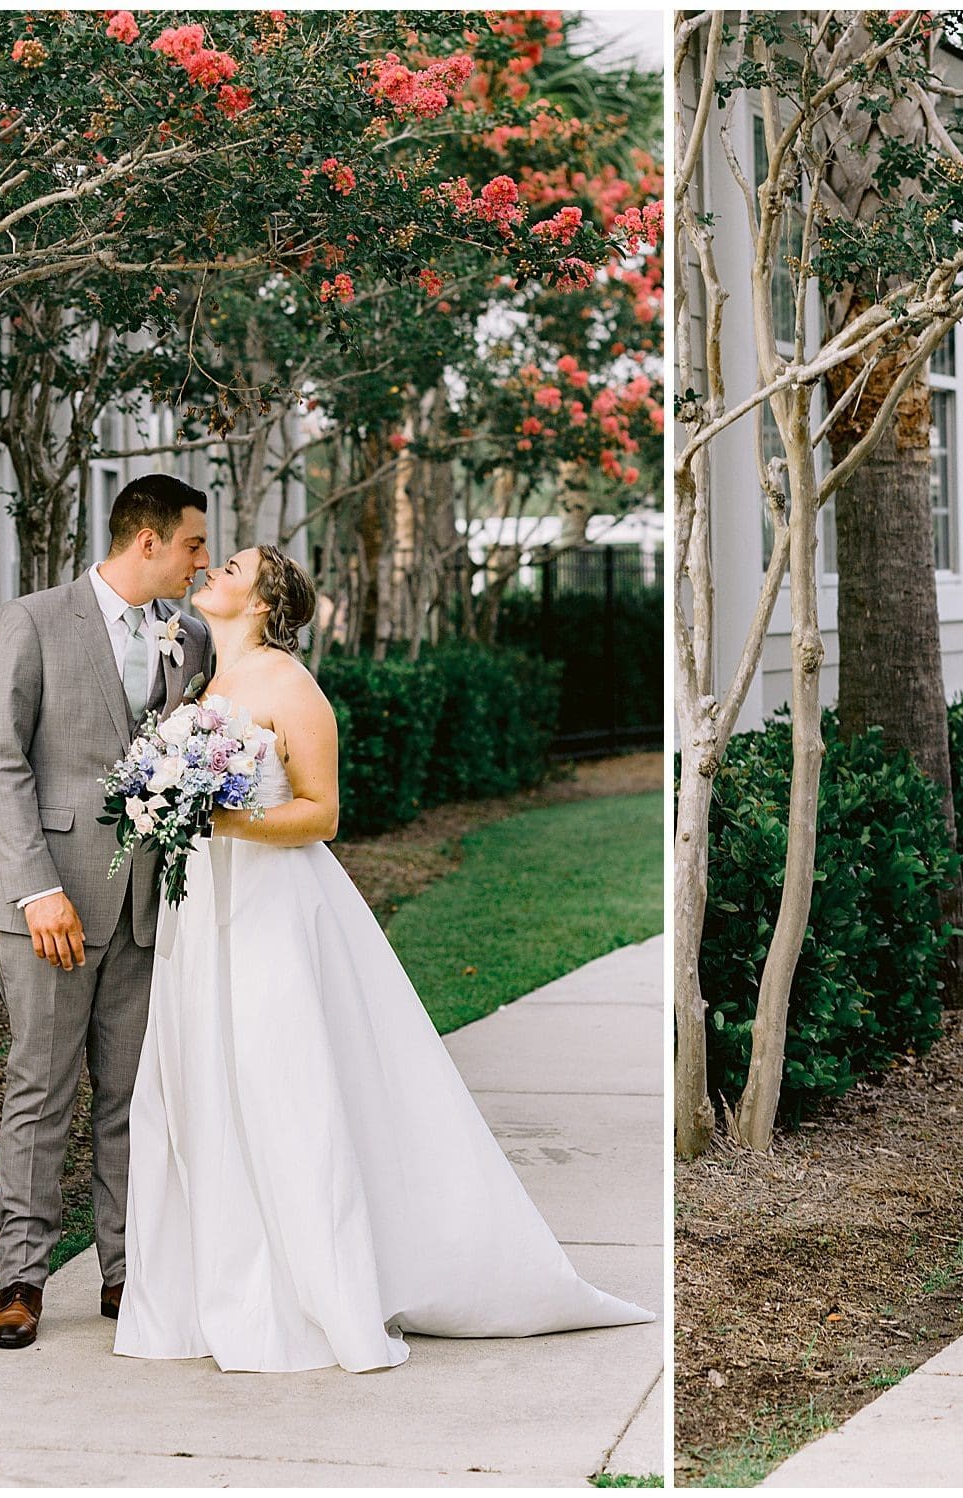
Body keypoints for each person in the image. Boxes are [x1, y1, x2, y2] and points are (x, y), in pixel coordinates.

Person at [113, 545, 654, 1372]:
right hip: (202, 911)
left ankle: (315, 1285)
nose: (212, 570)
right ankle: (216, 1285)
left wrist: (221, 822)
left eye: (231, 567)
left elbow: (322, 814)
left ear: (262, 603)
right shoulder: (203, 684)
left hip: (270, 910)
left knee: (278, 1084)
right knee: (202, 1083)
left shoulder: (293, 688)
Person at [0, 474, 216, 1349]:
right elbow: (0, 760)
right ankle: (21, 1280)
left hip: (150, 907)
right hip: (49, 902)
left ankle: (125, 1272)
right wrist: (37, 889)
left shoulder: (190, 640)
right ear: (146, 541)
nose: (202, 561)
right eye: (192, 544)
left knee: (129, 1095)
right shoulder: (33, 621)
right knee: (41, 1091)